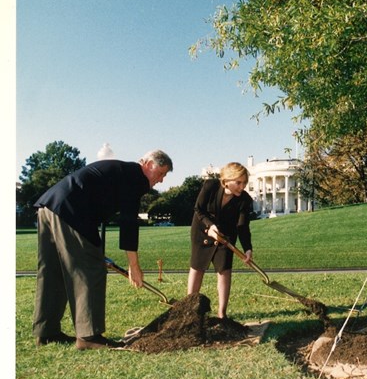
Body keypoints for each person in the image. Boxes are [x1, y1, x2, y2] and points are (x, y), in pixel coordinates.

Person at [32, 150, 173, 350]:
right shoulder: (135, 177)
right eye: (161, 173)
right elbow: (128, 223)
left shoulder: (121, 171)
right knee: (90, 270)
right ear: (149, 164)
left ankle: (46, 331)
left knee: (53, 271)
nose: (161, 180)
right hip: (72, 211)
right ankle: (89, 336)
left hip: (49, 207)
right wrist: (134, 266)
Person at [187, 162, 253, 320]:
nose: (242, 186)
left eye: (244, 183)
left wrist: (248, 249)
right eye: (238, 182)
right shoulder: (210, 186)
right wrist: (210, 227)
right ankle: (189, 310)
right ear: (226, 180)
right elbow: (199, 209)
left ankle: (222, 314)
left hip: (226, 236)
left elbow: (242, 226)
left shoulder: (245, 200)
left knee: (224, 270)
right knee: (197, 267)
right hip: (202, 230)